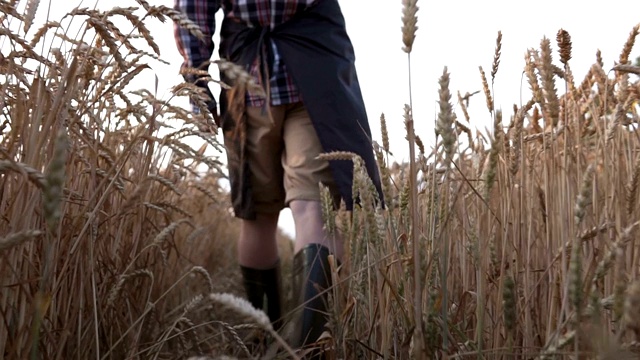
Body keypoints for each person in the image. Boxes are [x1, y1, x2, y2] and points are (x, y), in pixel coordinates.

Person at [173, 0, 383, 355]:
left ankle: (265, 346)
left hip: (247, 78)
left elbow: (193, 9)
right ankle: (311, 348)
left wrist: (197, 82)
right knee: (313, 210)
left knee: (257, 218)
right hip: (318, 70)